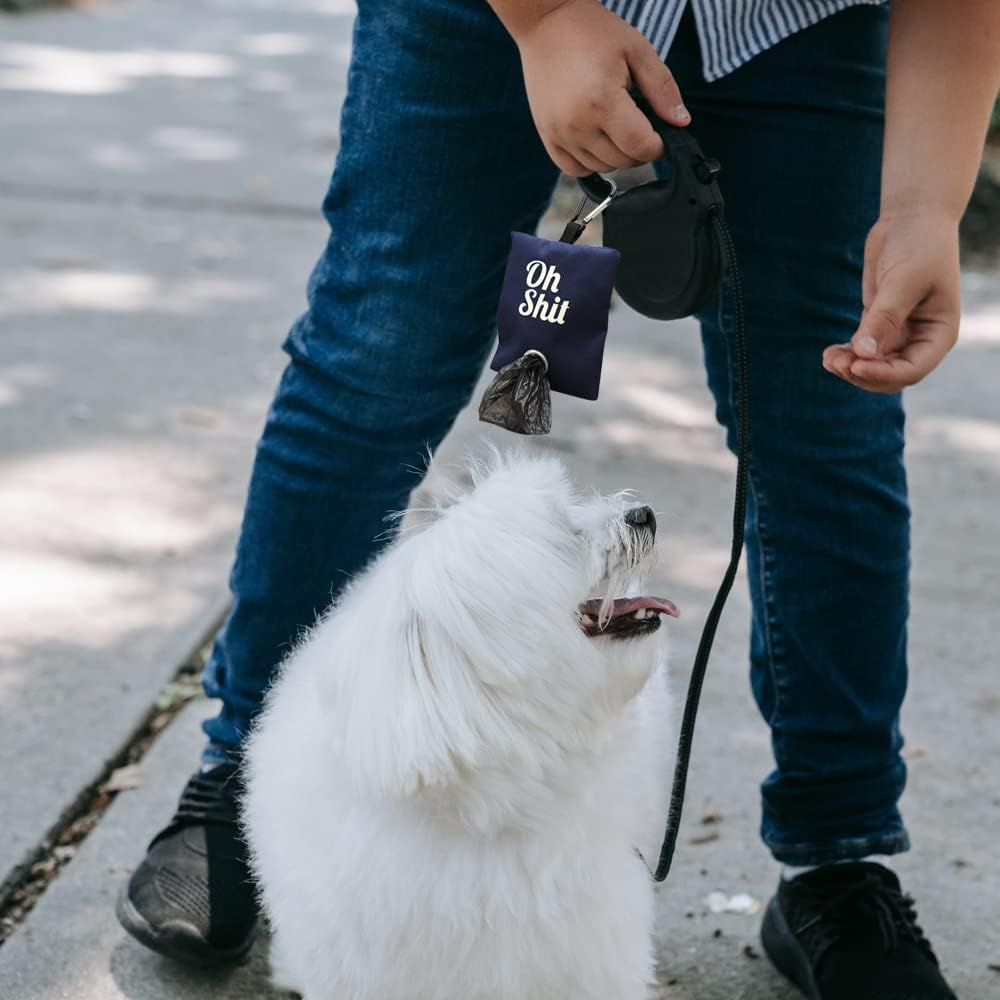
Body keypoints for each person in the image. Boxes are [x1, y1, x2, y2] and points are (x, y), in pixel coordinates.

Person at [115, 0, 1000, 995]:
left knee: (831, 410)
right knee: (379, 353)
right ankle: (241, 783)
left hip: (798, 26)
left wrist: (926, 207)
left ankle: (837, 859)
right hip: (476, 18)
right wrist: (543, 21)